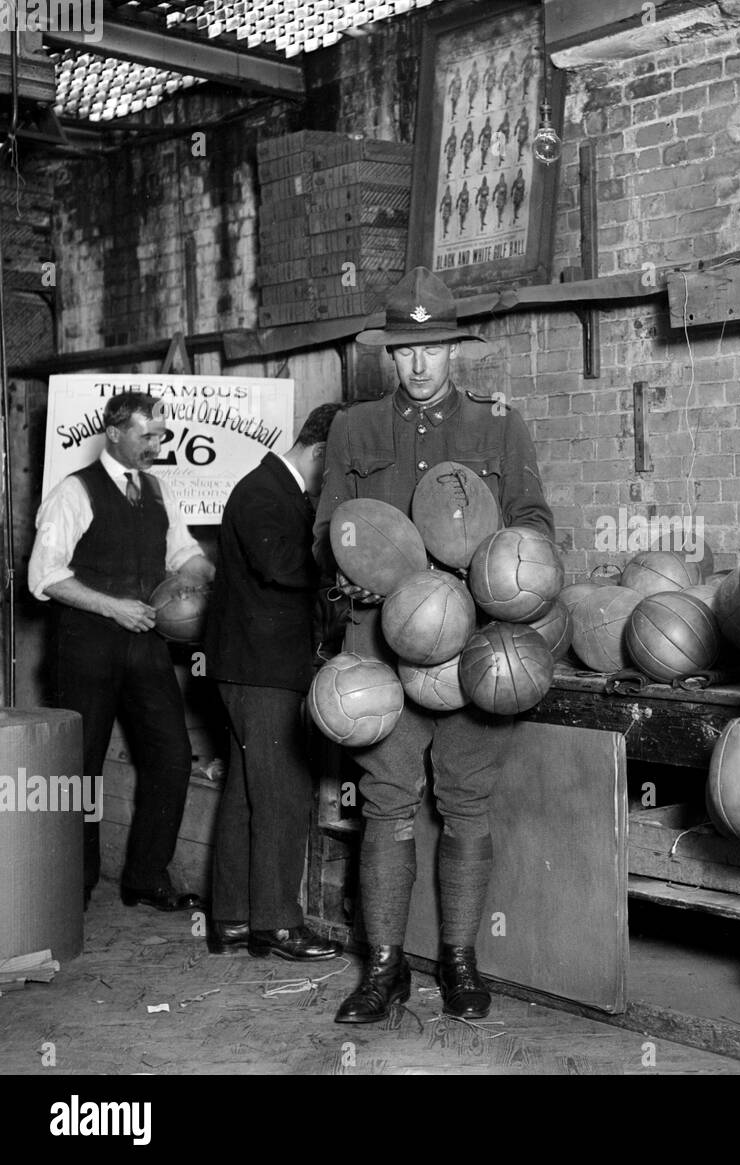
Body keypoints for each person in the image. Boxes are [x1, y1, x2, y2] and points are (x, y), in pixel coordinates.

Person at [313, 267, 553, 1024]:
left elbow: (536, 525)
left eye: (433, 347)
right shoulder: (353, 428)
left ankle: (458, 959)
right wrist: (348, 576)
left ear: (455, 348)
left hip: (475, 648)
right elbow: (326, 533)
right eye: (405, 350)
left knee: (467, 801)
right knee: (386, 802)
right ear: (390, 353)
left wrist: (509, 575)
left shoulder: (500, 426)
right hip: (382, 646)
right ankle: (383, 966)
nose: (419, 364)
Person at [30, 391, 214, 912]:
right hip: (87, 645)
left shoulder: (157, 489)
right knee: (80, 768)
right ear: (114, 433)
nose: (156, 445)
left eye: (161, 435)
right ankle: (76, 883)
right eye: (146, 435)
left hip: (146, 643)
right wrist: (113, 607)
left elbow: (184, 553)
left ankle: (145, 877)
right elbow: (45, 577)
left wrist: (209, 579)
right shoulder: (74, 491)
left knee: (173, 757)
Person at [202, 403, 349, 961]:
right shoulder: (263, 491)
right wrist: (346, 559)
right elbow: (279, 564)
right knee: (284, 794)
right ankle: (278, 924)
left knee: (246, 792)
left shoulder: (275, 490)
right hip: (261, 671)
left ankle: (233, 918)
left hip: (253, 668)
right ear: (317, 453)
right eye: (332, 468)